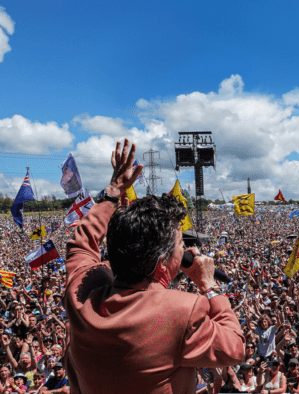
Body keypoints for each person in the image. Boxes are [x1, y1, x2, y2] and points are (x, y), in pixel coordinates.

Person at [63, 139, 245, 393]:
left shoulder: (82, 294)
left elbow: (81, 246)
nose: (186, 250)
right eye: (180, 243)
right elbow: (235, 348)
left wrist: (113, 192)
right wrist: (208, 285)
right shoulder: (182, 311)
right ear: (162, 264)